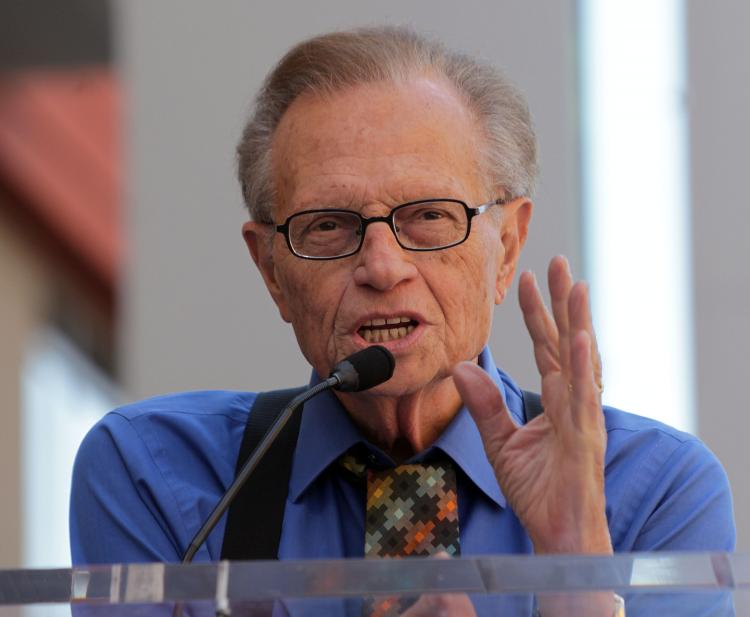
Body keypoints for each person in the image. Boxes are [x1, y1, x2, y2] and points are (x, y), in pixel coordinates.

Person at [70, 26, 735, 615]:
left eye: (429, 217)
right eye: (328, 226)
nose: (382, 267)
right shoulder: (157, 472)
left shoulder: (653, 491)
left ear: (505, 249)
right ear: (272, 270)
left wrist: (578, 563)